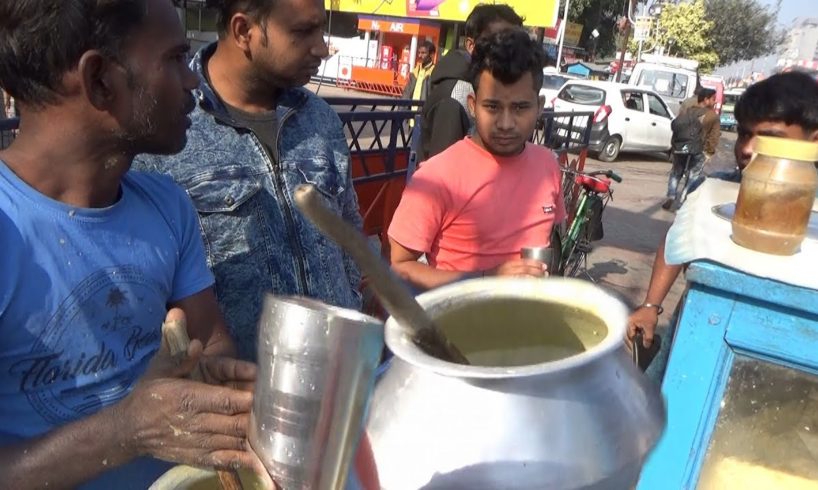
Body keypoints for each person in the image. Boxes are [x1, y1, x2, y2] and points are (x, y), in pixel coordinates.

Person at [0, 1, 267, 488]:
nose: (193, 83)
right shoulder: (8, 228)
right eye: (174, 59)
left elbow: (210, 338)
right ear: (100, 79)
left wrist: (212, 380)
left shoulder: (166, 205)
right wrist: (127, 430)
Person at [134, 0, 363, 361]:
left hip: (339, 376)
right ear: (244, 31)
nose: (321, 47)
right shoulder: (169, 129)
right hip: (238, 397)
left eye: (321, 29)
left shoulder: (320, 119)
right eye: (303, 32)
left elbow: (350, 236)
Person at [628, 72, 818, 380]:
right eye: (744, 134)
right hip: (699, 340)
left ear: (813, 140)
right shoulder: (713, 191)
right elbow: (677, 240)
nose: (746, 148)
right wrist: (651, 305)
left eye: (770, 137)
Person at [388, 29, 565, 292]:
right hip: (456, 328)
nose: (505, 124)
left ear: (539, 107)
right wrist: (484, 280)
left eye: (520, 108)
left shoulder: (548, 166)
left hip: (531, 327)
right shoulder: (437, 176)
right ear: (472, 105)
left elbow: (552, 241)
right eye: (492, 107)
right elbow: (400, 267)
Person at [419, 4, 523, 161]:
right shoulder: (454, 98)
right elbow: (445, 174)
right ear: (471, 45)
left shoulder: (495, 85)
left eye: (513, 43)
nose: (507, 51)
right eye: (498, 42)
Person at [662, 87, 720, 210]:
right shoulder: (712, 116)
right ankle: (683, 200)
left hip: (680, 146)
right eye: (713, 99)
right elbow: (713, 137)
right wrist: (709, 153)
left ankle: (671, 195)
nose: (715, 102)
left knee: (676, 172)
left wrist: (673, 147)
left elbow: (676, 129)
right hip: (699, 150)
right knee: (693, 175)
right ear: (706, 99)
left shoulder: (686, 111)